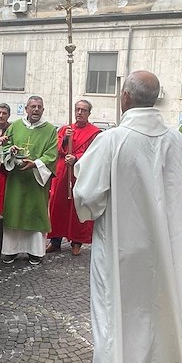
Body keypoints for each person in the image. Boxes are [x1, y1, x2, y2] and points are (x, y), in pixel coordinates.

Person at [73, 71, 182, 363]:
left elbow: (87, 196)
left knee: (117, 311)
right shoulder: (178, 142)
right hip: (167, 248)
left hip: (122, 248)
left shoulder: (111, 141)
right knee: (162, 307)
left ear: (125, 97)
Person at [1, 96, 58, 265]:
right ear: (26, 109)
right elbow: (5, 145)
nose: (36, 109)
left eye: (39, 107)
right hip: (16, 179)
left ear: (43, 110)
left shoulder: (49, 130)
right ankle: (11, 250)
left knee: (35, 213)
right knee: (14, 212)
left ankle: (35, 252)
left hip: (36, 181)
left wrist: (36, 163)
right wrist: (10, 150)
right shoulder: (15, 126)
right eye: (33, 106)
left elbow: (52, 154)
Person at [47, 100, 101, 256]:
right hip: (63, 173)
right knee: (58, 206)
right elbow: (54, 148)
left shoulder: (95, 133)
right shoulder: (65, 129)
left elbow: (95, 154)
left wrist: (76, 158)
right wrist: (64, 139)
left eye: (83, 110)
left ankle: (76, 242)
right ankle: (55, 240)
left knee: (78, 208)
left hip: (80, 174)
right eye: (77, 109)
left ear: (89, 113)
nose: (79, 113)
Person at [0, 103, 11, 214]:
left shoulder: (12, 129)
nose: (1, 116)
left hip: (6, 170)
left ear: (8, 115)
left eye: (4, 113)